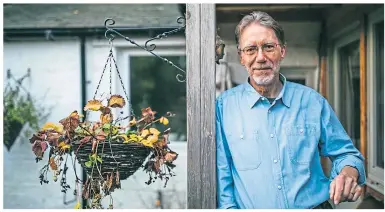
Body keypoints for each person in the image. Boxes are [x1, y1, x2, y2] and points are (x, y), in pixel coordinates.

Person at [215, 11, 366, 209]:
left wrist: (348, 173)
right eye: (251, 49)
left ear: (282, 51)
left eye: (269, 47)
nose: (261, 57)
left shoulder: (313, 102)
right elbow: (224, 183)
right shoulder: (224, 107)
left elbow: (348, 155)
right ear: (241, 57)